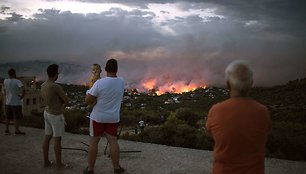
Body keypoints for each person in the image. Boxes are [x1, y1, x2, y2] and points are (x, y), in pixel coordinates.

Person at [205, 60, 271, 174]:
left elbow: (210, 134)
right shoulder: (262, 112)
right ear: (251, 83)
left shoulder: (216, 111)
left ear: (227, 84)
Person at [83, 59, 125, 174]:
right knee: (113, 142)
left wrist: (89, 92)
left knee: (94, 142)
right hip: (113, 118)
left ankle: (90, 169)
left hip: (98, 117)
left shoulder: (99, 83)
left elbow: (88, 100)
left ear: (105, 69)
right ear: (116, 69)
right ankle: (116, 168)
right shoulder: (121, 81)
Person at [41, 64, 70, 169]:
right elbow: (66, 100)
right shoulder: (55, 86)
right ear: (56, 74)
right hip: (56, 115)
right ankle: (59, 164)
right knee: (57, 139)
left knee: (47, 136)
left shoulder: (43, 85)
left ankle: (46, 162)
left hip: (47, 112)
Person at [3, 68, 26, 135]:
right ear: (14, 73)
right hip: (16, 102)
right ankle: (16, 131)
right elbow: (23, 89)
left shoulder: (5, 81)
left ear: (9, 74)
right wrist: (22, 96)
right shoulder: (17, 81)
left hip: (8, 102)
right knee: (16, 117)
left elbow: (4, 90)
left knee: (8, 117)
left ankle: (6, 130)